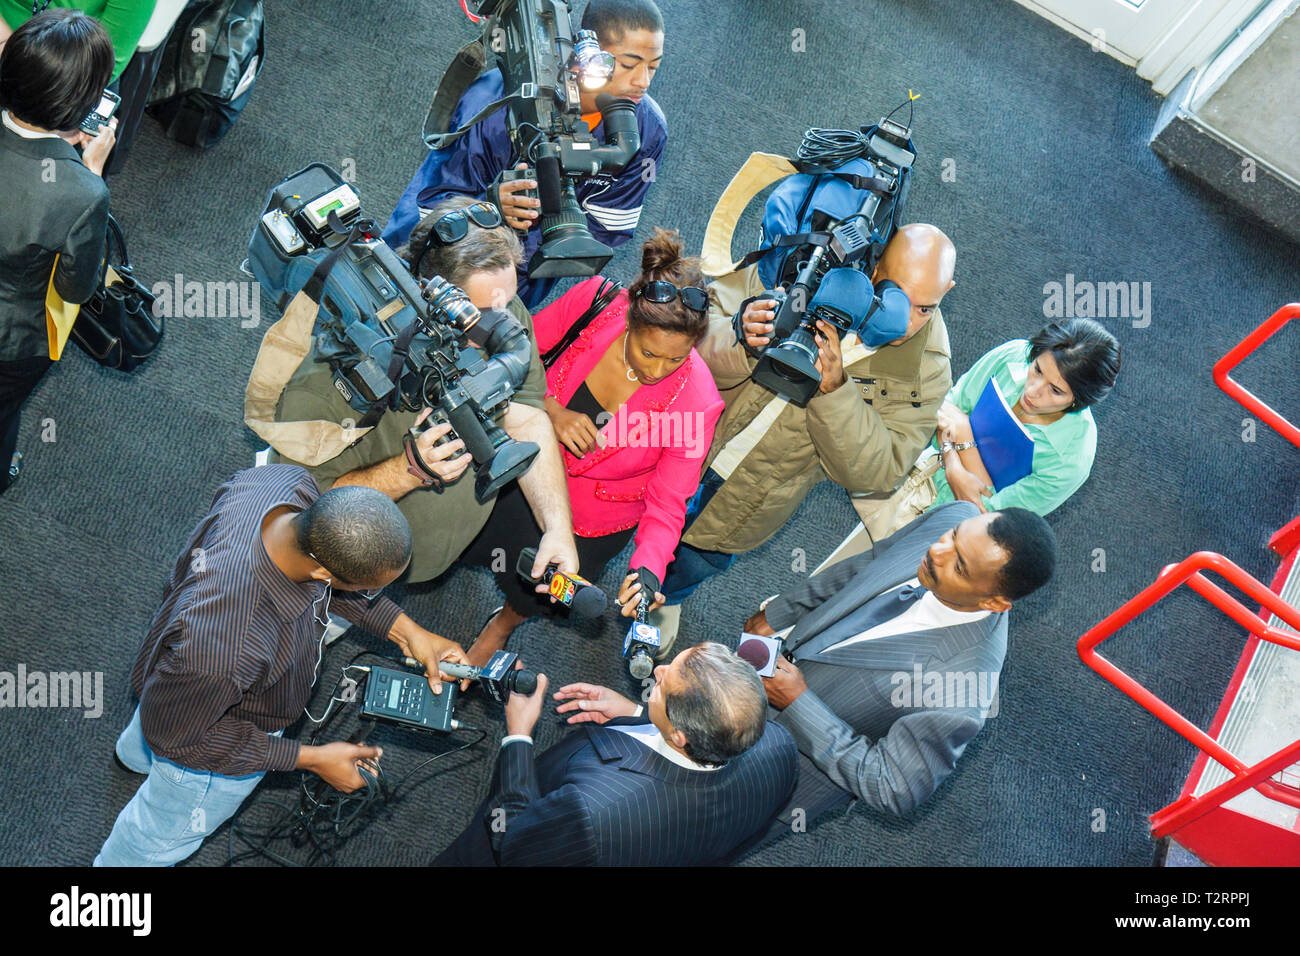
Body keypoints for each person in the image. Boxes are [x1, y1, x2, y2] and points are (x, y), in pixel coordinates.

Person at [95, 465, 471, 866]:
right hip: (205, 741)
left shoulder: (284, 483)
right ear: (323, 572)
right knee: (157, 835)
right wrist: (311, 759)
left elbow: (325, 583)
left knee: (163, 711)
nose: (368, 596)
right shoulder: (227, 651)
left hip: (178, 684)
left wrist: (406, 631)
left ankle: (132, 757)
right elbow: (181, 738)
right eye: (366, 590)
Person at [270, 197, 578, 665]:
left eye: (507, 304)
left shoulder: (496, 310)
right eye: (481, 317)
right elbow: (299, 515)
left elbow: (528, 413)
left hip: (425, 549)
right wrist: (408, 469)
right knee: (290, 642)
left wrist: (558, 529)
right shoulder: (329, 381)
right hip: (342, 566)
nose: (504, 331)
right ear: (426, 292)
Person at [654, 223, 959, 645]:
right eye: (896, 293)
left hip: (754, 495)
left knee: (698, 557)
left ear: (948, 291)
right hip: (683, 440)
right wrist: (741, 335)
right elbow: (688, 328)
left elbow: (880, 471)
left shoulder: (928, 366)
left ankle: (667, 598)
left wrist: (834, 393)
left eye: (924, 308)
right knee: (631, 514)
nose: (905, 321)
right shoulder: (812, 261)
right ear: (872, 268)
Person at [460, 228, 723, 661]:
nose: (659, 370)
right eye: (648, 352)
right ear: (630, 322)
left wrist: (648, 571)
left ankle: (503, 623)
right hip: (519, 466)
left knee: (538, 588)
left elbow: (668, 503)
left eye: (677, 358)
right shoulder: (596, 301)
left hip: (591, 518)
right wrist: (550, 411)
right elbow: (516, 360)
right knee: (472, 535)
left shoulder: (698, 403)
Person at [743, 501, 1056, 838]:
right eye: (952, 537)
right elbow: (867, 567)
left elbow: (892, 788)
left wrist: (797, 702)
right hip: (748, 686)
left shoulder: (961, 692)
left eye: (960, 567)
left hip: (774, 771)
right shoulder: (958, 514)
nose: (937, 551)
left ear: (994, 603)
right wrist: (780, 612)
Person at [383, 0, 668, 308]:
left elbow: (609, 226)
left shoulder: (648, 130)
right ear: (587, 53)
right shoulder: (494, 104)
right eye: (628, 64)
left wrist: (536, 237)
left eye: (653, 66)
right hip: (426, 263)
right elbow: (432, 203)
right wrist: (490, 209)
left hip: (517, 282)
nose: (643, 82)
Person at [434, 642, 798, 866]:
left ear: (679, 734)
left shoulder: (592, 813)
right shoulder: (780, 748)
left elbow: (514, 840)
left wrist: (518, 734)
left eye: (663, 685)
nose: (658, 668)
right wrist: (638, 716)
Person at [839, 317, 1121, 553]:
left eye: (1056, 390)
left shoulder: (1072, 458)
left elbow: (989, 518)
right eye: (1037, 370)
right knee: (846, 563)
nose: (1033, 390)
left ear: (1079, 400)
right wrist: (956, 464)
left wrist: (962, 435)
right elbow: (946, 409)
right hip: (916, 479)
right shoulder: (1014, 354)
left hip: (952, 532)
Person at [0, 8, 116, 493]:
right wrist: (89, 173)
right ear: (77, 107)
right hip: (12, 339)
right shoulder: (81, 193)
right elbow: (76, 286)